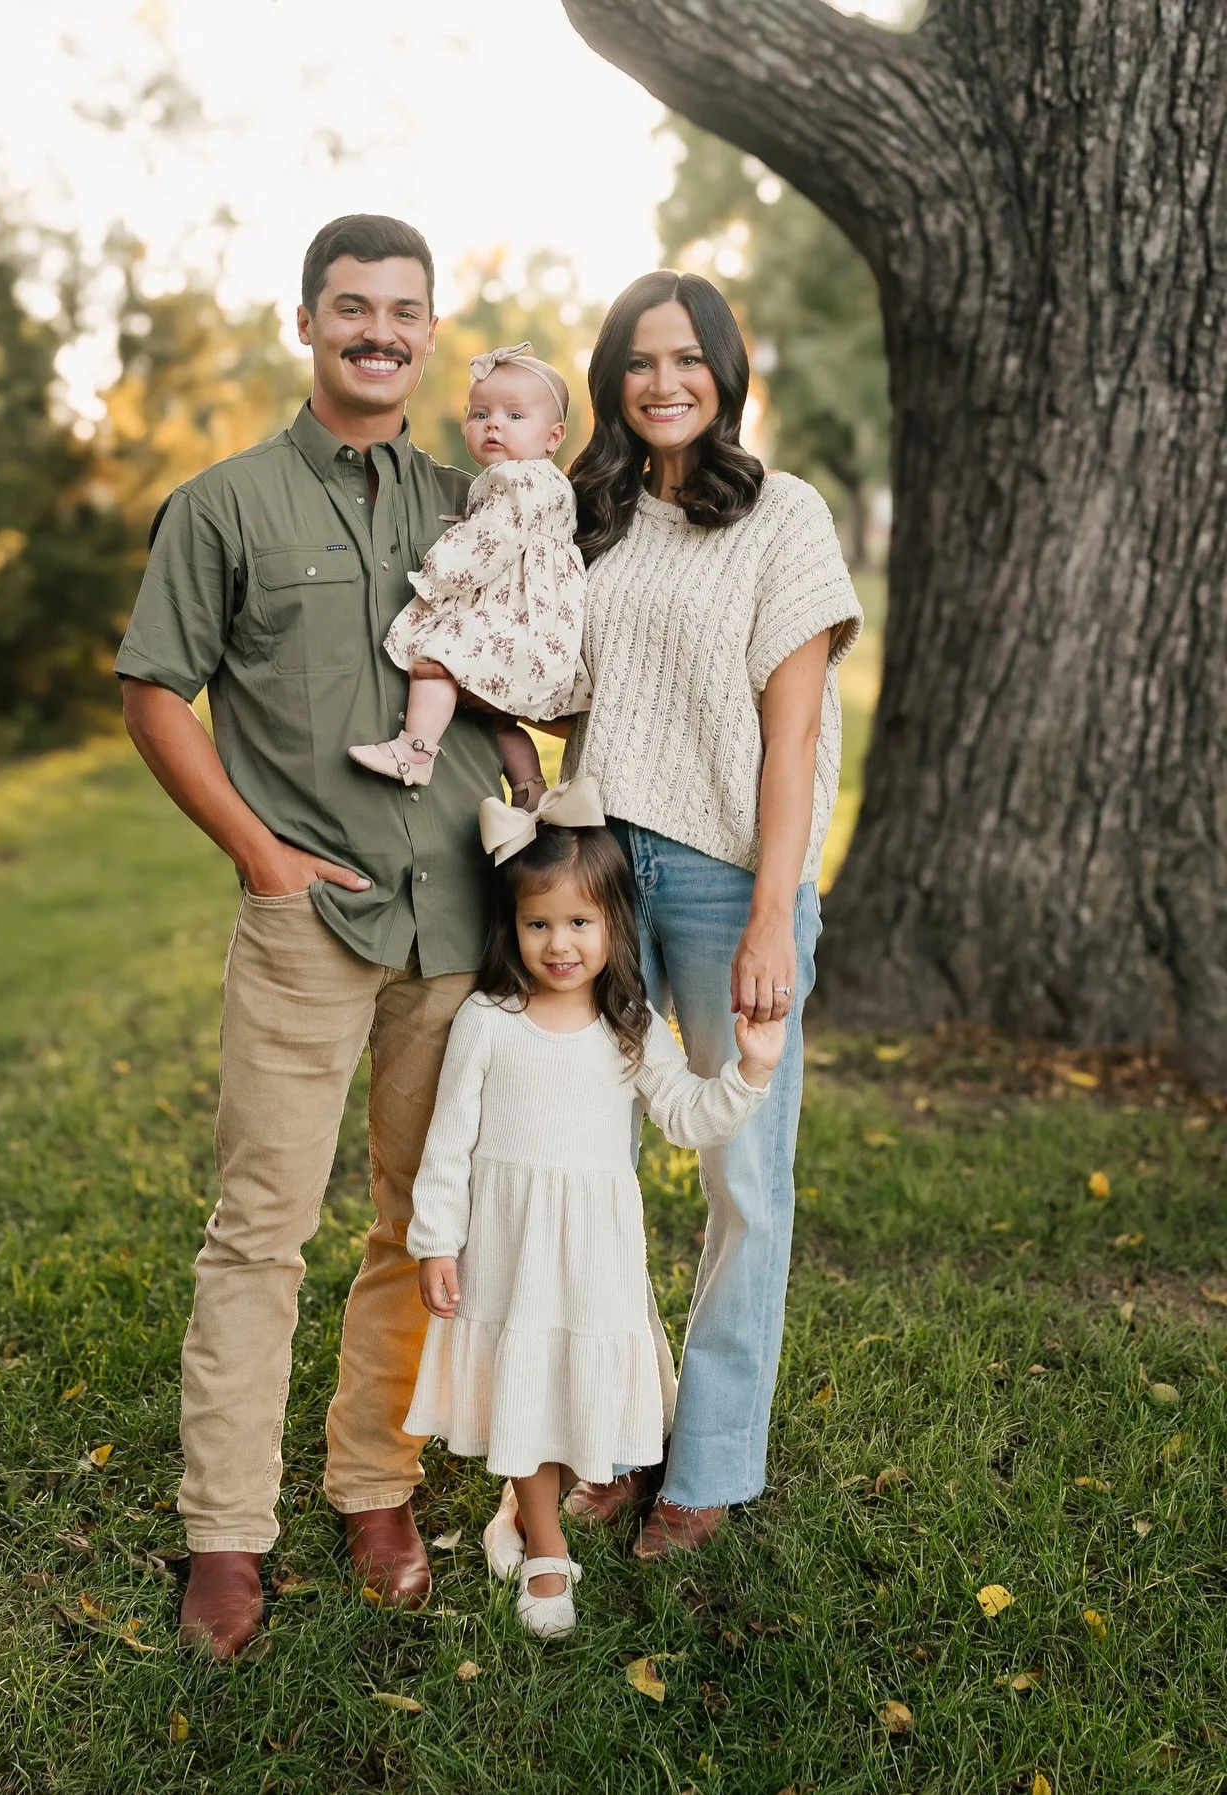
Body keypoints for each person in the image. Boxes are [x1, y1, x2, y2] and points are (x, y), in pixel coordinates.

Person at [114, 214, 504, 1659]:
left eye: (405, 310)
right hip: (308, 924)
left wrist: (516, 749)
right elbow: (158, 691)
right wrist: (262, 854)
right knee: (259, 1232)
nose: (379, 332)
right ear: (307, 322)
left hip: (456, 916)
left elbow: (529, 646)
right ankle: (227, 1531)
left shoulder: (480, 505)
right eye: (353, 308)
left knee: (418, 1220)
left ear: (430, 327)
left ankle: (375, 1483)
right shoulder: (221, 506)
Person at [559, 270, 863, 1556]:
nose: (664, 380)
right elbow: (564, 694)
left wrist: (769, 917)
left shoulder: (784, 516)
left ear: (727, 372)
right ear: (612, 380)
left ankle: (714, 1461)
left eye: (688, 358)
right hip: (597, 877)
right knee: (594, 1169)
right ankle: (622, 1436)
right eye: (639, 360)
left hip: (731, 878)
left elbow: (789, 738)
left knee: (745, 1176)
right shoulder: (593, 515)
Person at [402, 781, 785, 1636]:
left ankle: (529, 1508)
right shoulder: (488, 1022)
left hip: (594, 1253)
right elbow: (447, 1145)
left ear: (616, 927)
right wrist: (435, 1241)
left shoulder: (631, 1025)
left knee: (571, 1383)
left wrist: (751, 1069)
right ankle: (544, 1546)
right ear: (513, 927)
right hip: (509, 1245)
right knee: (524, 1386)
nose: (560, 943)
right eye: (539, 923)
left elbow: (688, 1116)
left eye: (581, 923)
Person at [349, 342, 590, 808]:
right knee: (499, 721)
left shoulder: (519, 479)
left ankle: (415, 751)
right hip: (538, 625)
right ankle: (530, 791)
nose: (493, 424)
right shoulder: (547, 480)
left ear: (554, 436)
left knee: (439, 657)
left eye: (514, 416)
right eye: (480, 414)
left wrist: (439, 576)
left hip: (515, 617)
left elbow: (491, 540)